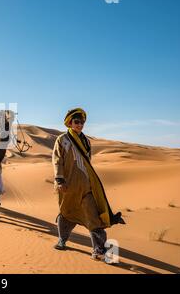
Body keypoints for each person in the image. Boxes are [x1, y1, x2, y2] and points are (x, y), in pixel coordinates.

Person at [52, 108, 125, 262]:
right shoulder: (63, 139)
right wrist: (59, 180)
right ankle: (62, 240)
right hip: (67, 186)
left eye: (82, 122)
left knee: (93, 217)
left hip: (85, 186)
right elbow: (57, 160)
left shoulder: (86, 141)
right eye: (76, 122)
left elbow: (87, 164)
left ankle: (98, 250)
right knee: (66, 213)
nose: (80, 124)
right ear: (70, 123)